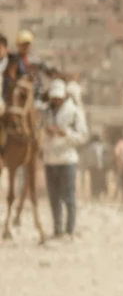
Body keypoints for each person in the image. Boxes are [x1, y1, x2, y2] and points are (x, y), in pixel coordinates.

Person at [38, 77, 89, 239]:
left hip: (67, 160)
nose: (56, 101)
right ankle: (57, 230)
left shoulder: (74, 112)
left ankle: (70, 230)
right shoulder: (45, 112)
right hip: (50, 160)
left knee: (68, 197)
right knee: (53, 197)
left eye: (59, 98)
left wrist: (65, 133)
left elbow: (82, 136)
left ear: (65, 96)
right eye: (54, 98)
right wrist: (45, 134)